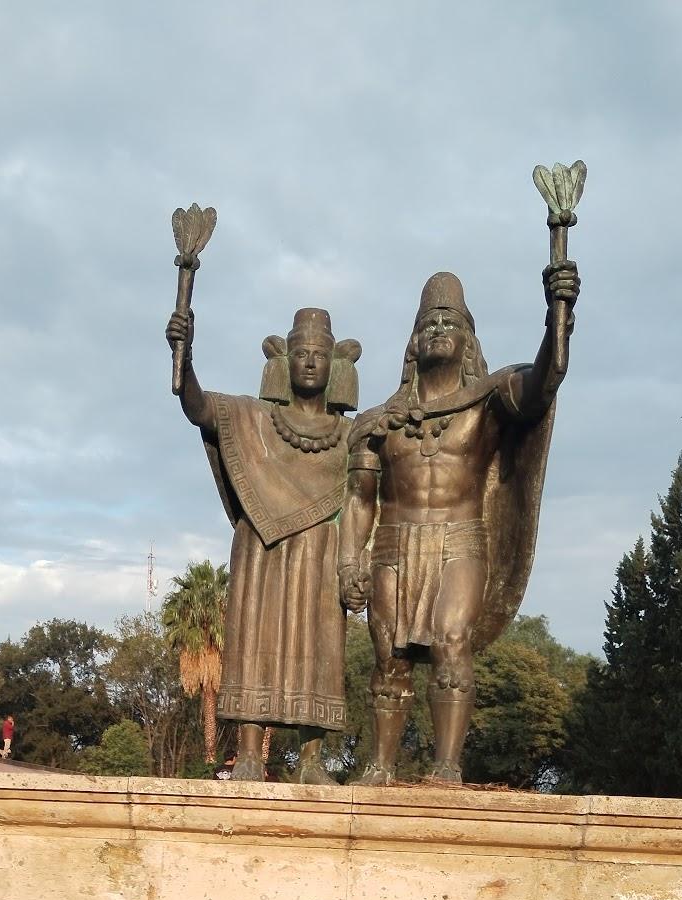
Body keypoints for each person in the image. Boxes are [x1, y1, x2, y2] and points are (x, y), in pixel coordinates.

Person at [339, 259, 579, 785]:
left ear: (469, 339)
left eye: (450, 322)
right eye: (429, 324)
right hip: (393, 545)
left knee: (451, 640)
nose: (438, 331)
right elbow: (359, 498)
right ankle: (381, 766)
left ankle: (447, 765)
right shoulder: (379, 422)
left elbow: (545, 382)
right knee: (389, 654)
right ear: (413, 342)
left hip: (460, 539)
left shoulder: (488, 402)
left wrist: (557, 316)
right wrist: (348, 561)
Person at [166, 304, 361, 782]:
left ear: (335, 365)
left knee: (320, 645)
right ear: (285, 361)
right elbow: (197, 407)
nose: (310, 362)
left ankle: (312, 760)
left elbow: (368, 497)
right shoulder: (250, 418)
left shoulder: (351, 435)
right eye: (301, 354)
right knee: (255, 636)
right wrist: (183, 356)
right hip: (261, 546)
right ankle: (250, 754)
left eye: (319, 354)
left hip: (320, 549)